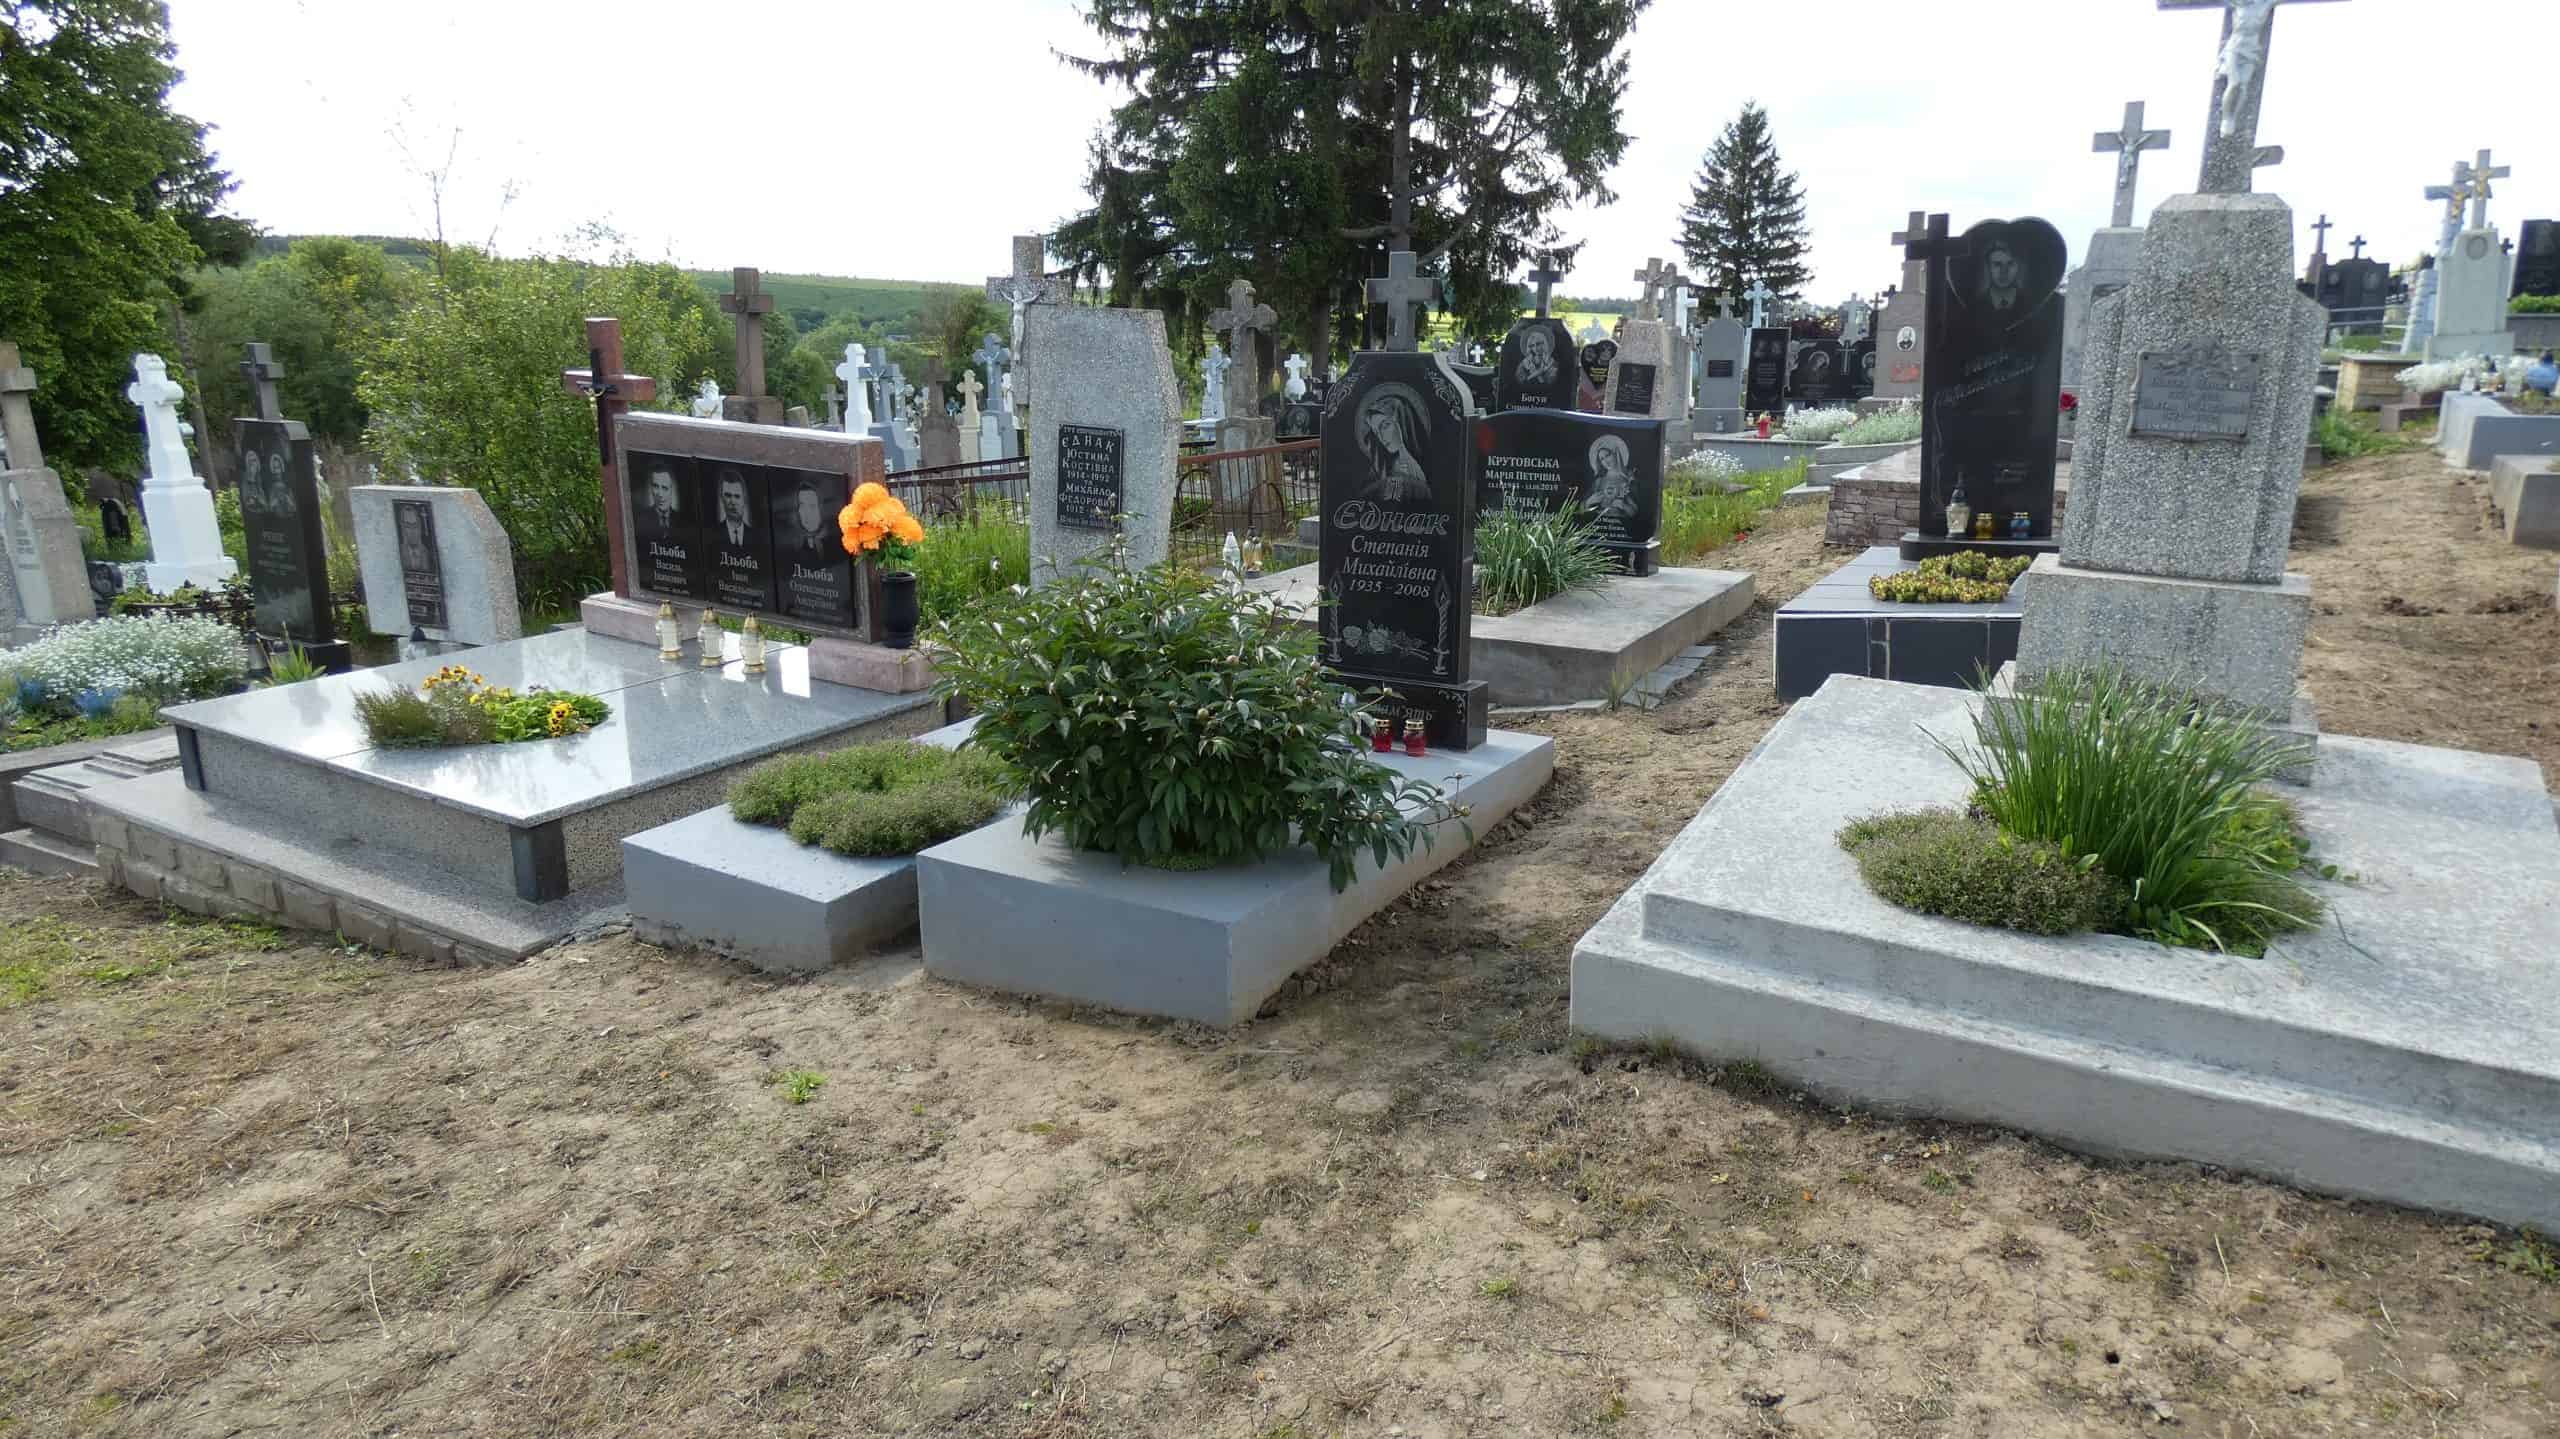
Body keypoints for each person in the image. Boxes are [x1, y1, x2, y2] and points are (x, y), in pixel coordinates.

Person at [1355, 384, 1431, 503]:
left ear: (1402, 422)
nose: (1381, 437)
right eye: (1376, 431)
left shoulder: (1424, 467)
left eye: (1385, 426)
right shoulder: (1379, 468)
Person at [1585, 435, 1636, 525]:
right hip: (1599, 526)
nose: (1606, 461)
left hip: (1621, 527)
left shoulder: (1629, 479)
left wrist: (1623, 505)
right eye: (1602, 459)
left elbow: (1637, 513)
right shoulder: (1598, 482)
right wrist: (1589, 502)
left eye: (1607, 455)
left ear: (1616, 453)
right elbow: (1581, 510)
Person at [788, 478, 835, 556]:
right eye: (802, 506)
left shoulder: (834, 541)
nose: (807, 513)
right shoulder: (794, 544)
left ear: (822, 509)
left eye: (812, 506)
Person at [716, 470, 754, 548]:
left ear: (744, 500)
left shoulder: (756, 537)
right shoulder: (714, 534)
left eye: (737, 496)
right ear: (722, 498)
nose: (732, 502)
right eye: (728, 495)